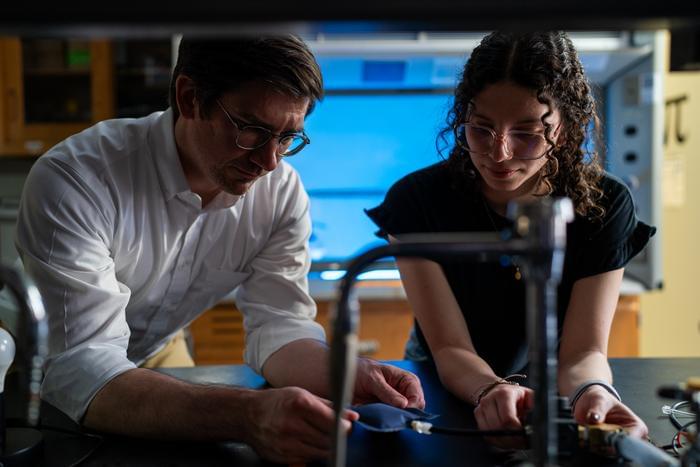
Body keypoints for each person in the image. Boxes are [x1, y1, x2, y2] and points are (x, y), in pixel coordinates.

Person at [15, 35, 424, 463]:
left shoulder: (280, 193)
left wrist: (343, 375)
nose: (269, 162)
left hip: (158, 350)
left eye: (287, 137)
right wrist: (245, 414)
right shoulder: (77, 180)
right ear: (189, 98)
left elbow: (280, 326)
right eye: (252, 130)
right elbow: (83, 367)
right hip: (41, 369)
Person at [366, 31, 654, 443]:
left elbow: (583, 353)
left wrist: (594, 392)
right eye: (481, 129)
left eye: (527, 133)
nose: (499, 153)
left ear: (565, 130)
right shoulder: (417, 202)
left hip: (554, 385)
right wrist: (492, 390)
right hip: (446, 385)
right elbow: (450, 349)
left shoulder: (604, 204)